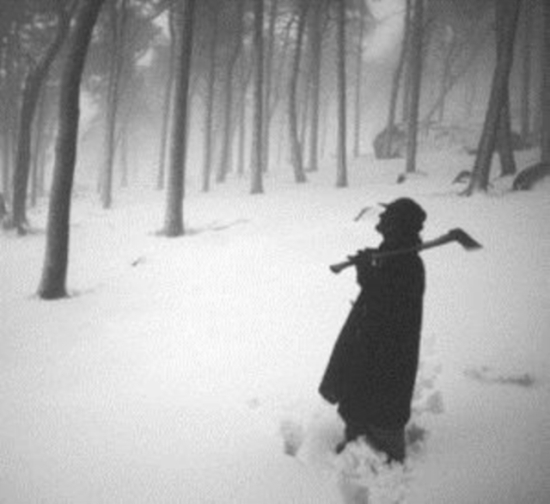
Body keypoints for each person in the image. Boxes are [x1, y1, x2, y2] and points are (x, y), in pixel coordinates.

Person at [319, 197, 427, 463]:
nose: (380, 219)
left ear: (397, 225)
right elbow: (379, 291)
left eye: (386, 216)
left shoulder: (409, 265)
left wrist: (367, 272)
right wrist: (372, 264)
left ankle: (387, 450)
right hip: (369, 341)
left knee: (382, 396)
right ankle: (356, 435)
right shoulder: (395, 253)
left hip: (389, 349)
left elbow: (387, 305)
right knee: (357, 388)